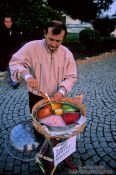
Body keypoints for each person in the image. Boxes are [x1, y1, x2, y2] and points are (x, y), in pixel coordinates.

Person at [9, 20, 77, 112]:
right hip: (36, 96)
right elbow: (15, 62)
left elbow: (71, 76)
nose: (53, 44)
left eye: (58, 41)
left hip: (57, 96)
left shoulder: (67, 54)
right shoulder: (31, 47)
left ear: (63, 38)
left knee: (55, 122)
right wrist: (27, 76)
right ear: (45, 33)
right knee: (37, 124)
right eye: (51, 39)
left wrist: (62, 91)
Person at [0, 15, 22, 88]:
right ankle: (14, 83)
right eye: (6, 22)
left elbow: (19, 40)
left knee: (14, 66)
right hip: (5, 53)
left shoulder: (15, 29)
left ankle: (15, 81)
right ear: (4, 22)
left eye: (9, 22)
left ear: (12, 22)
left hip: (14, 52)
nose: (8, 23)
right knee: (9, 67)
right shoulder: (1, 30)